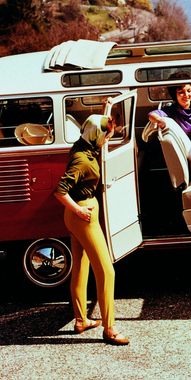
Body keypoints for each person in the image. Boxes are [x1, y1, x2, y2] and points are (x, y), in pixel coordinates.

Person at [54, 113, 129, 345]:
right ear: (97, 135)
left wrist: (106, 111)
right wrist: (78, 210)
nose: (106, 141)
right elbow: (60, 190)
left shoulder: (83, 145)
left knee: (81, 267)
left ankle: (81, 320)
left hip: (78, 216)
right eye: (106, 137)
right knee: (107, 271)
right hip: (83, 215)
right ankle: (110, 329)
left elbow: (96, 125)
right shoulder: (83, 160)